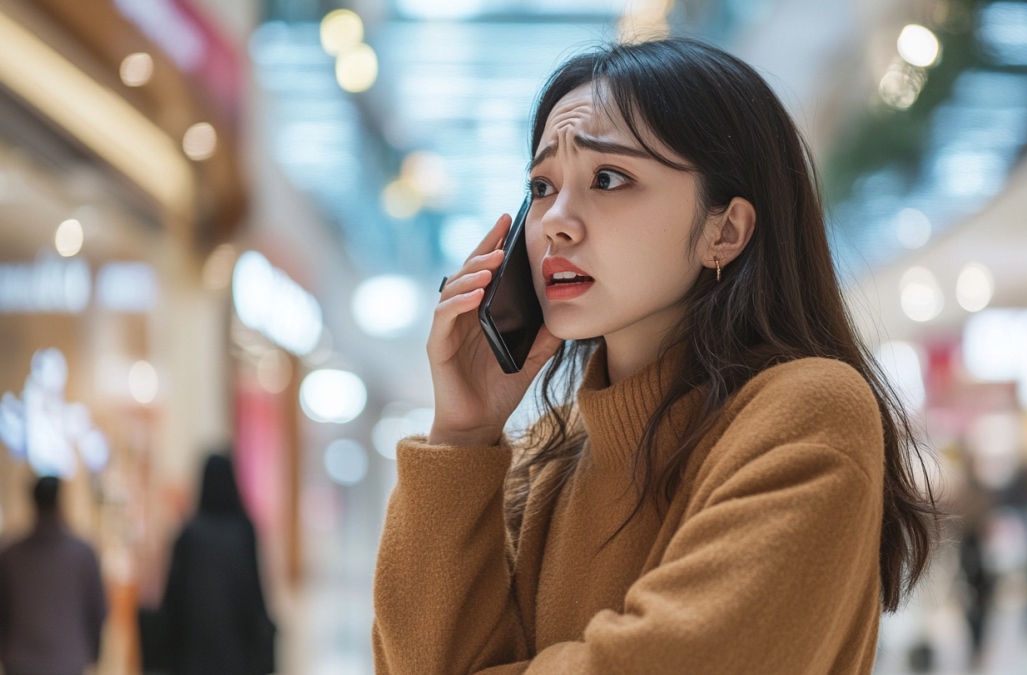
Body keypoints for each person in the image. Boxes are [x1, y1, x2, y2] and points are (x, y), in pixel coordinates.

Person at [373, 37, 939, 674]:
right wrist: (463, 435)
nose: (555, 221)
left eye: (608, 178)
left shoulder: (807, 412)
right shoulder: (544, 462)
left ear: (723, 231)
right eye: (542, 185)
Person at [155, 453, 275, 675]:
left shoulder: (189, 534)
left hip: (194, 647)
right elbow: (255, 589)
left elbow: (173, 595)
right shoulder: (244, 530)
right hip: (236, 646)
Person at [0, 476, 107, 675]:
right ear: (60, 502)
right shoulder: (83, 554)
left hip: (20, 661)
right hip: (68, 660)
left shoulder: (9, 555)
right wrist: (91, 655)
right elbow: (98, 610)